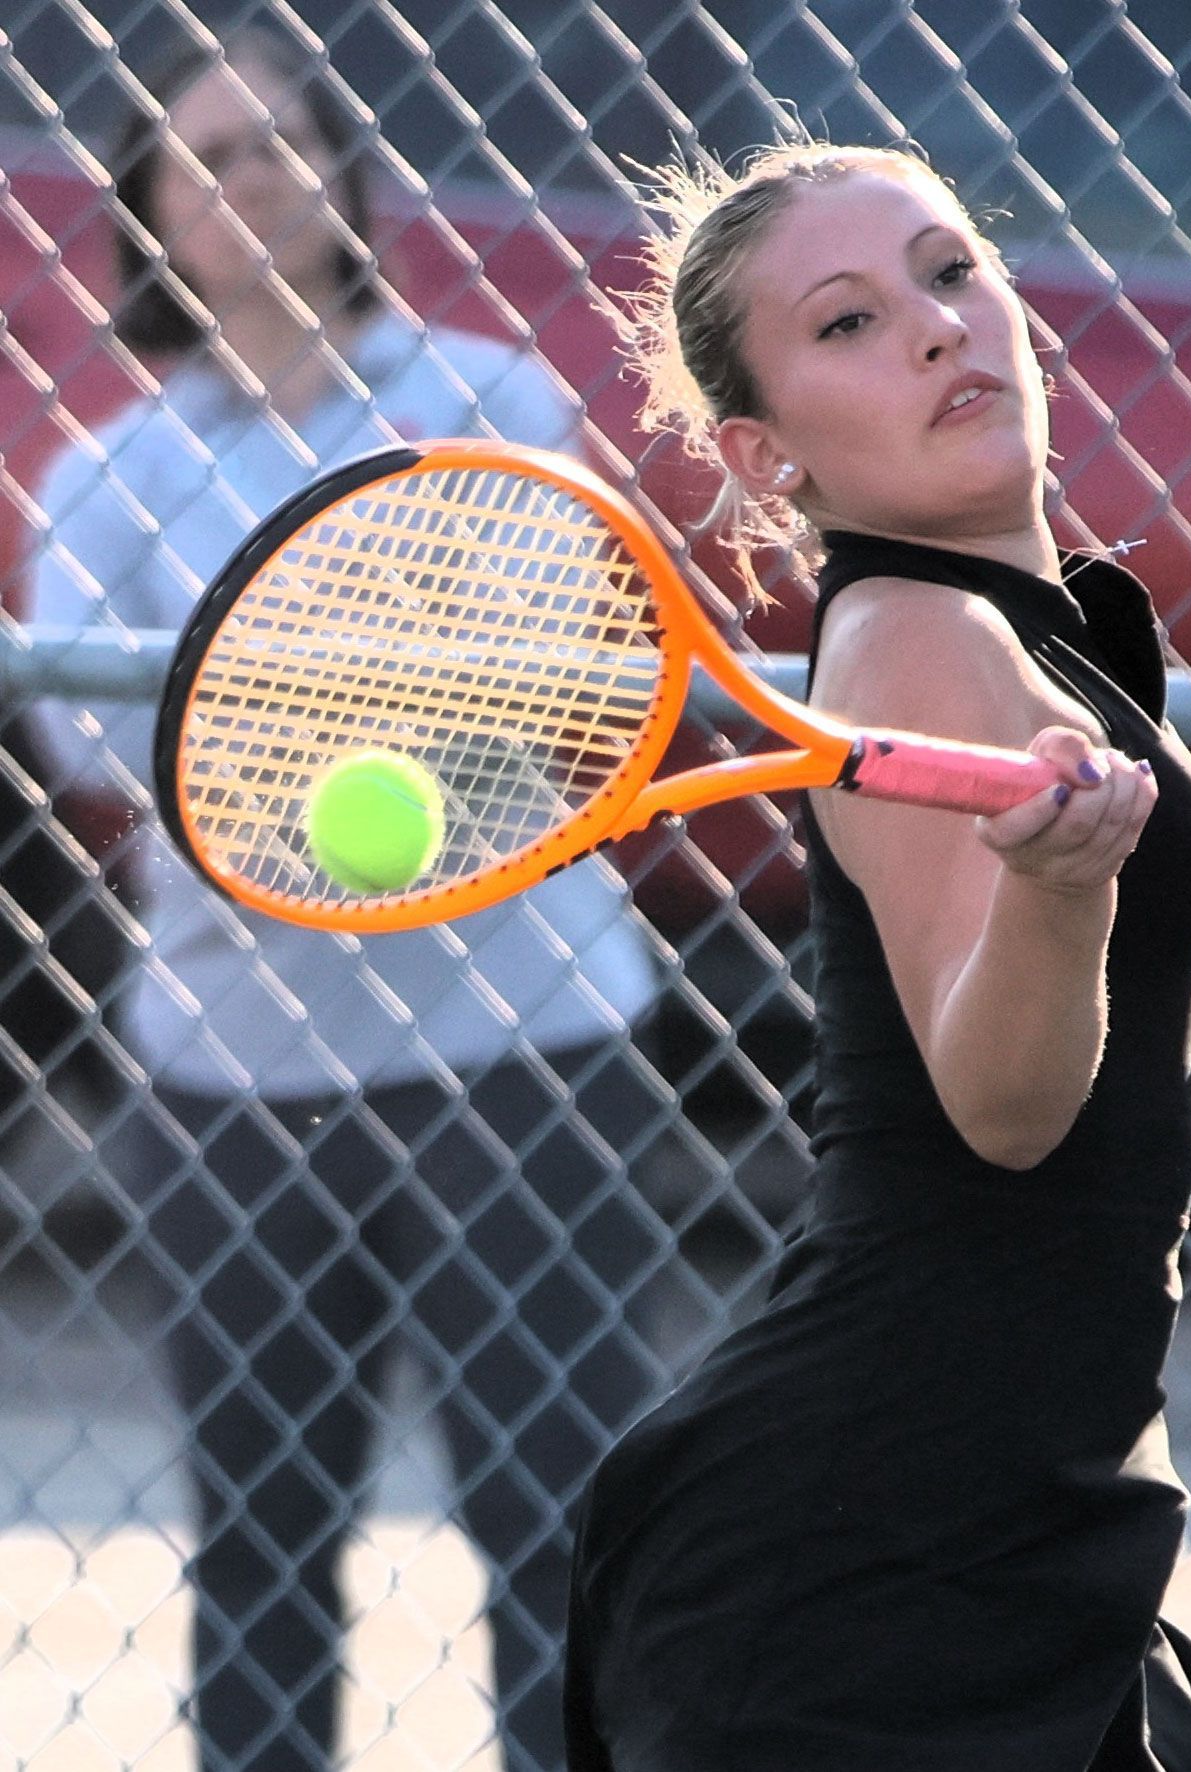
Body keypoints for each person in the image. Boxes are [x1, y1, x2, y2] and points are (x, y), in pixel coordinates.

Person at [561, 142, 1191, 1771]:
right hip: (870, 1551)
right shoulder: (917, 637)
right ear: (765, 454)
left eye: (951, 271)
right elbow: (1004, 1107)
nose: (937, 326)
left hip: (1012, 1503)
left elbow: (1057, 1033)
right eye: (847, 322)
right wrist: (1063, 896)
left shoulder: (1021, 622)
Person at [29, 31, 667, 1772]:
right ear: (148, 208)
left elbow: (543, 667)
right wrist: (389, 664)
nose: (247, 179)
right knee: (261, 1540)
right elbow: (94, 732)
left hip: (523, 1045)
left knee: (562, 1521)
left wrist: (245, 692)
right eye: (205, 155)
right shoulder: (106, 471)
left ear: (344, 175)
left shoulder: (490, 403)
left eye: (280, 142)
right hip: (231, 1074)